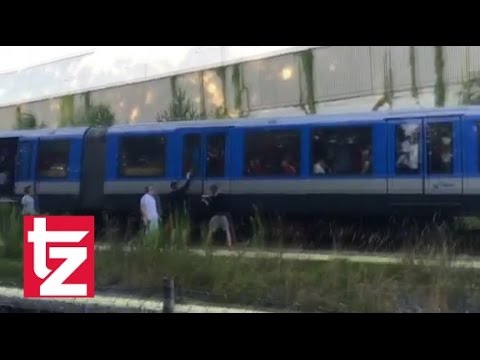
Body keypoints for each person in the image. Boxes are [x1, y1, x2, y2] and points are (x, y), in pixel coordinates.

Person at [204, 184, 233, 248]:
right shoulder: (222, 196)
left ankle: (206, 244)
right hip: (223, 216)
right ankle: (229, 245)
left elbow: (211, 206)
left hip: (216, 216)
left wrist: (207, 202)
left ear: (211, 191)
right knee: (227, 231)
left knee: (210, 231)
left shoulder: (212, 198)